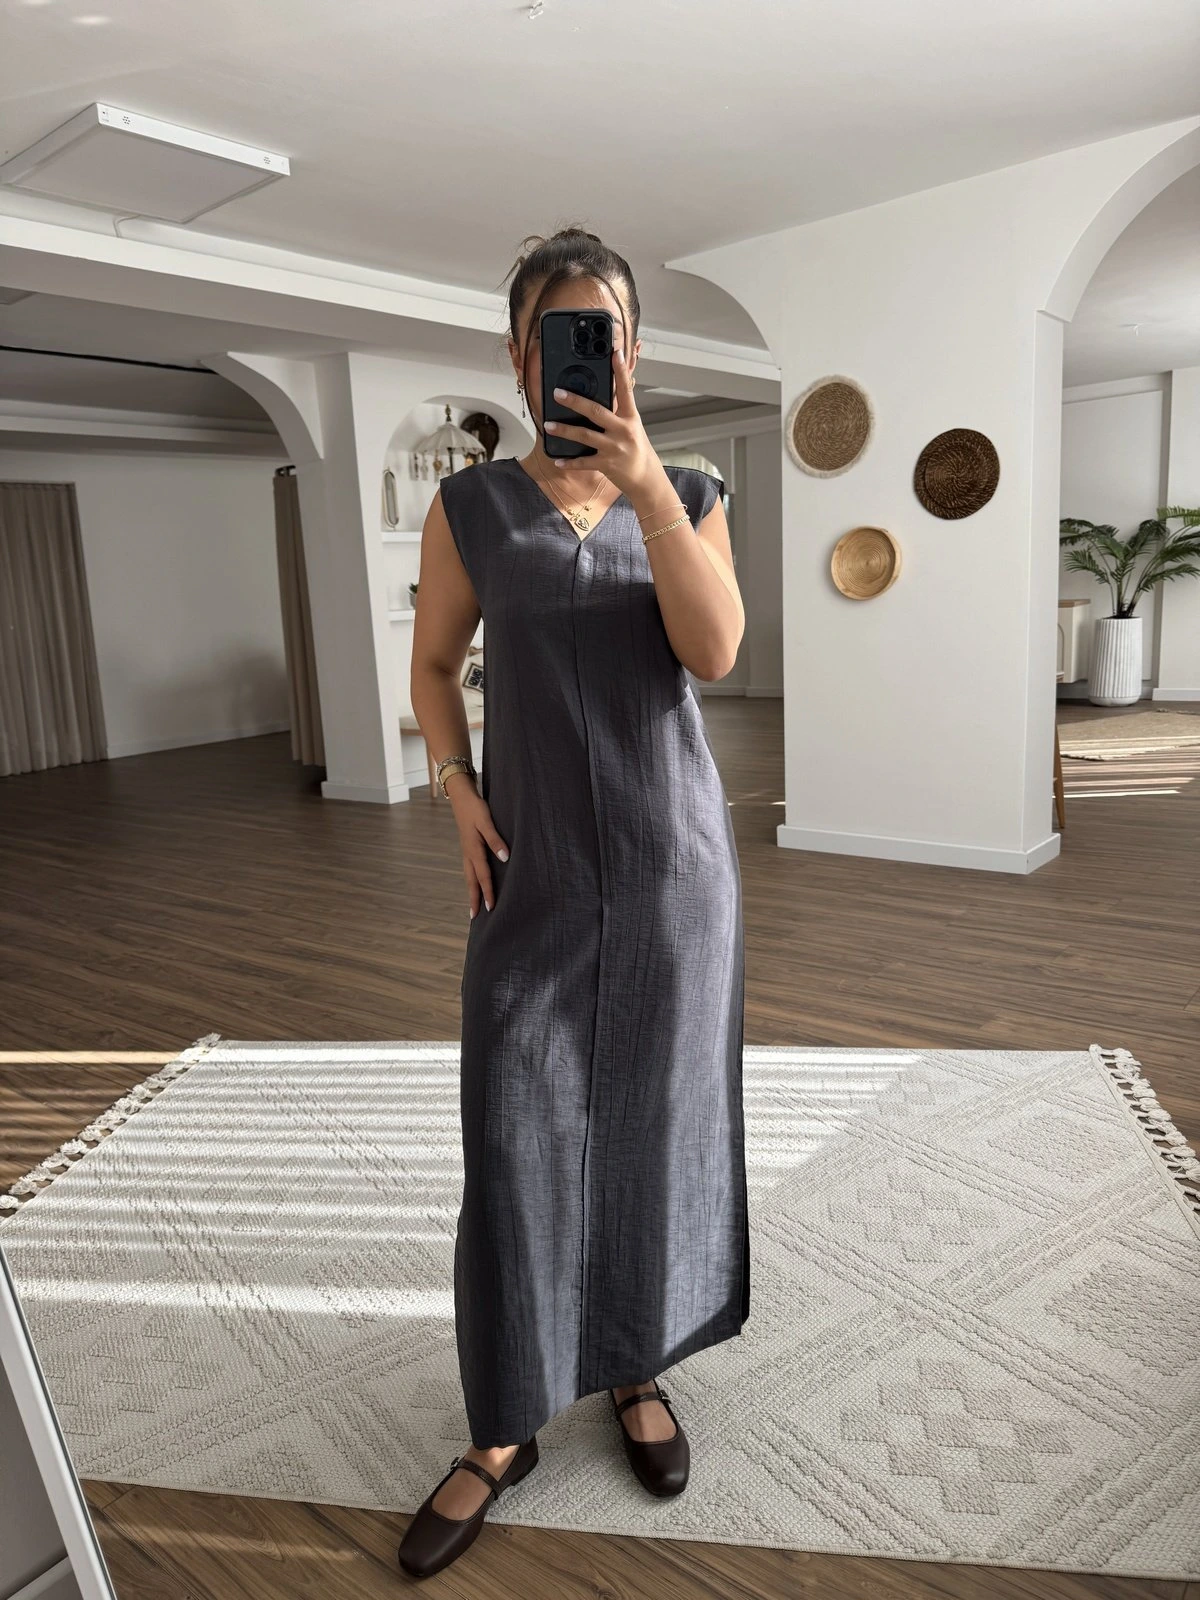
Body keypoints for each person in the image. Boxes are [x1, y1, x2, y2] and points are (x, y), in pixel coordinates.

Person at [400, 226, 750, 1579]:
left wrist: (648, 481)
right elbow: (435, 665)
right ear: (518, 355)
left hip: (672, 876)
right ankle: (504, 1424)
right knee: (514, 1137)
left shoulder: (695, 490)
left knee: (655, 1134)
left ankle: (635, 1366)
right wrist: (453, 784)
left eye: (604, 329)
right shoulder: (473, 507)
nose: (584, 353)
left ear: (634, 351)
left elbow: (713, 650)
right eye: (558, 332)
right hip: (533, 872)